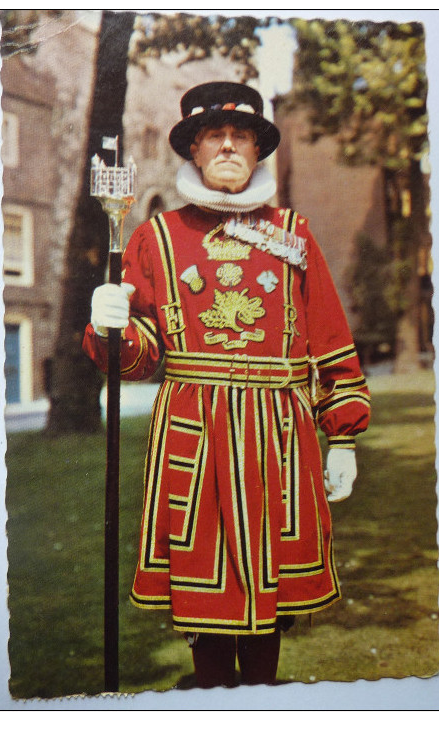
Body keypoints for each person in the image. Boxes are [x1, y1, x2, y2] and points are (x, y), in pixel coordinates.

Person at [82, 81, 371, 689]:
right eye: (215, 135)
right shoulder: (155, 237)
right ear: (194, 148)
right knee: (204, 587)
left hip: (278, 431)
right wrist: (111, 326)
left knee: (270, 593)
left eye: (241, 135)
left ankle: (261, 699)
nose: (229, 145)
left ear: (258, 149)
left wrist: (342, 437)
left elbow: (329, 338)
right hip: (195, 431)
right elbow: (140, 358)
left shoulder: (293, 234)